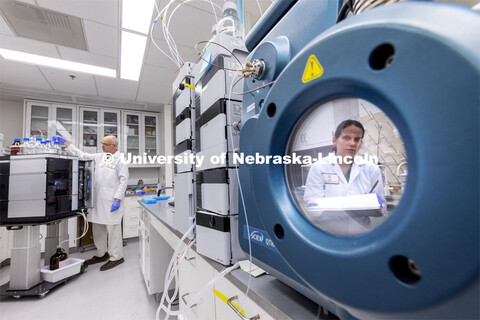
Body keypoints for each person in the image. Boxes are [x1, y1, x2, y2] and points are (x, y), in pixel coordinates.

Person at [52, 134, 129, 271]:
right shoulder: (100, 156)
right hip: (97, 200)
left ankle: (117, 257)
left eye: (105, 144)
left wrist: (117, 199)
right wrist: (67, 143)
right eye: (102, 143)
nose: (102, 146)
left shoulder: (120, 160)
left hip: (111, 200)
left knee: (113, 230)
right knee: (98, 229)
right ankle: (102, 253)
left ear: (114, 146)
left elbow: (123, 181)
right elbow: (82, 155)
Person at [303, 120, 385, 236]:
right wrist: (343, 207)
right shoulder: (319, 167)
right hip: (329, 234)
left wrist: (372, 205)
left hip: (362, 234)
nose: (352, 143)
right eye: (346, 138)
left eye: (357, 139)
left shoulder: (371, 169)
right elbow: (311, 206)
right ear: (334, 140)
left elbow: (382, 207)